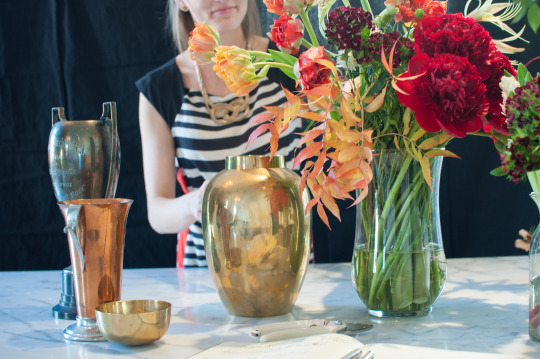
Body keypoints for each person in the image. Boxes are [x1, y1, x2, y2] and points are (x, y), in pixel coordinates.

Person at [136, 0, 302, 267]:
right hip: (206, 273)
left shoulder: (289, 64)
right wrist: (197, 202)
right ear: (181, 2)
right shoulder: (160, 89)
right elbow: (158, 214)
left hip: (287, 265)